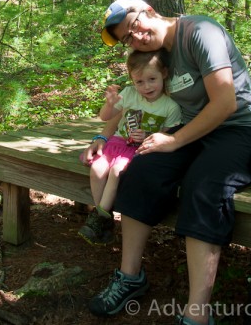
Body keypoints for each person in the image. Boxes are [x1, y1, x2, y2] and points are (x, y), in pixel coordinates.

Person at [88, 0, 251, 325]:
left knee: (202, 188)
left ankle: (197, 314)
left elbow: (226, 102)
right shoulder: (155, 55)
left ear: (149, 11)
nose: (137, 38)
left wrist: (173, 140)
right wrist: (104, 136)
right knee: (141, 169)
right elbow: (131, 100)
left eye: (134, 28)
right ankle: (130, 277)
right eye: (128, 39)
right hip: (190, 130)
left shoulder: (201, 31)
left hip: (240, 130)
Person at [78, 50, 182, 245]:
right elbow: (106, 117)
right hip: (117, 143)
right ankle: (104, 218)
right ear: (132, 80)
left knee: (116, 171)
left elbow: (168, 136)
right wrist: (109, 105)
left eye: (152, 79)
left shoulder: (170, 107)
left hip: (139, 150)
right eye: (139, 82)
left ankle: (98, 219)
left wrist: (149, 136)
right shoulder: (129, 94)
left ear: (164, 74)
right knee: (97, 168)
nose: (146, 86)